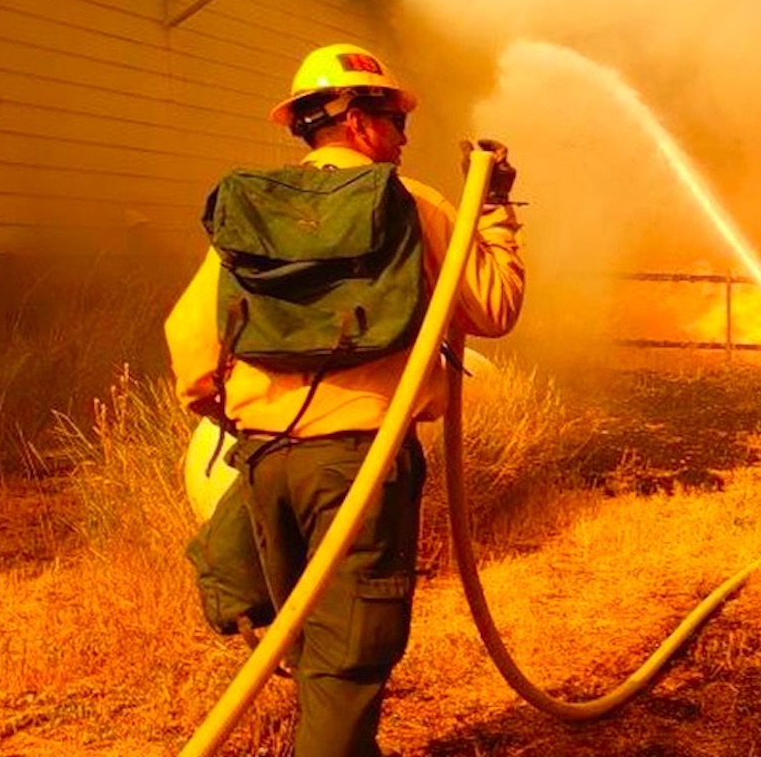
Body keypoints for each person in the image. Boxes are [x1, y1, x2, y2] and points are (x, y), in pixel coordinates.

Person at [164, 43, 525, 757]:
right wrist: (495, 210)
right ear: (358, 122)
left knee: (310, 640)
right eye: (394, 118)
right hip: (359, 465)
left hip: (266, 460)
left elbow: (189, 340)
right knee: (351, 656)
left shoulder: (254, 210)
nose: (405, 135)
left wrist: (230, 414)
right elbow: (495, 306)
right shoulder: (413, 206)